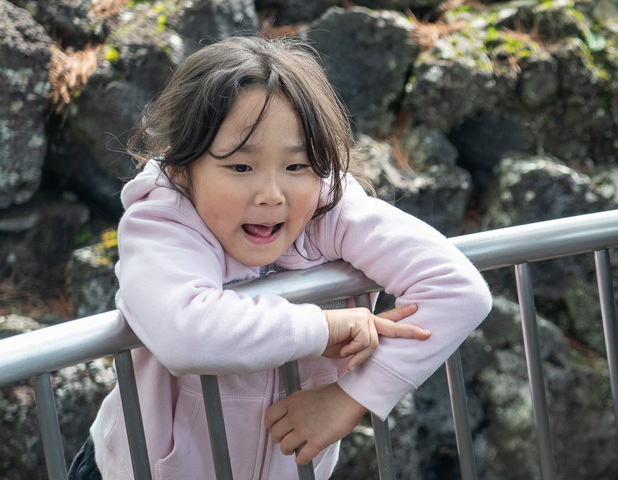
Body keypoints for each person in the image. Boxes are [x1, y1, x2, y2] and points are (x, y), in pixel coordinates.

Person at [71, 35, 492, 480]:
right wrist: (322, 328)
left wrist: (352, 398)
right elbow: (186, 331)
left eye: (296, 166)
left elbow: (458, 289)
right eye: (240, 167)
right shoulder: (164, 221)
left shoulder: (328, 208)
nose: (272, 195)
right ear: (181, 167)